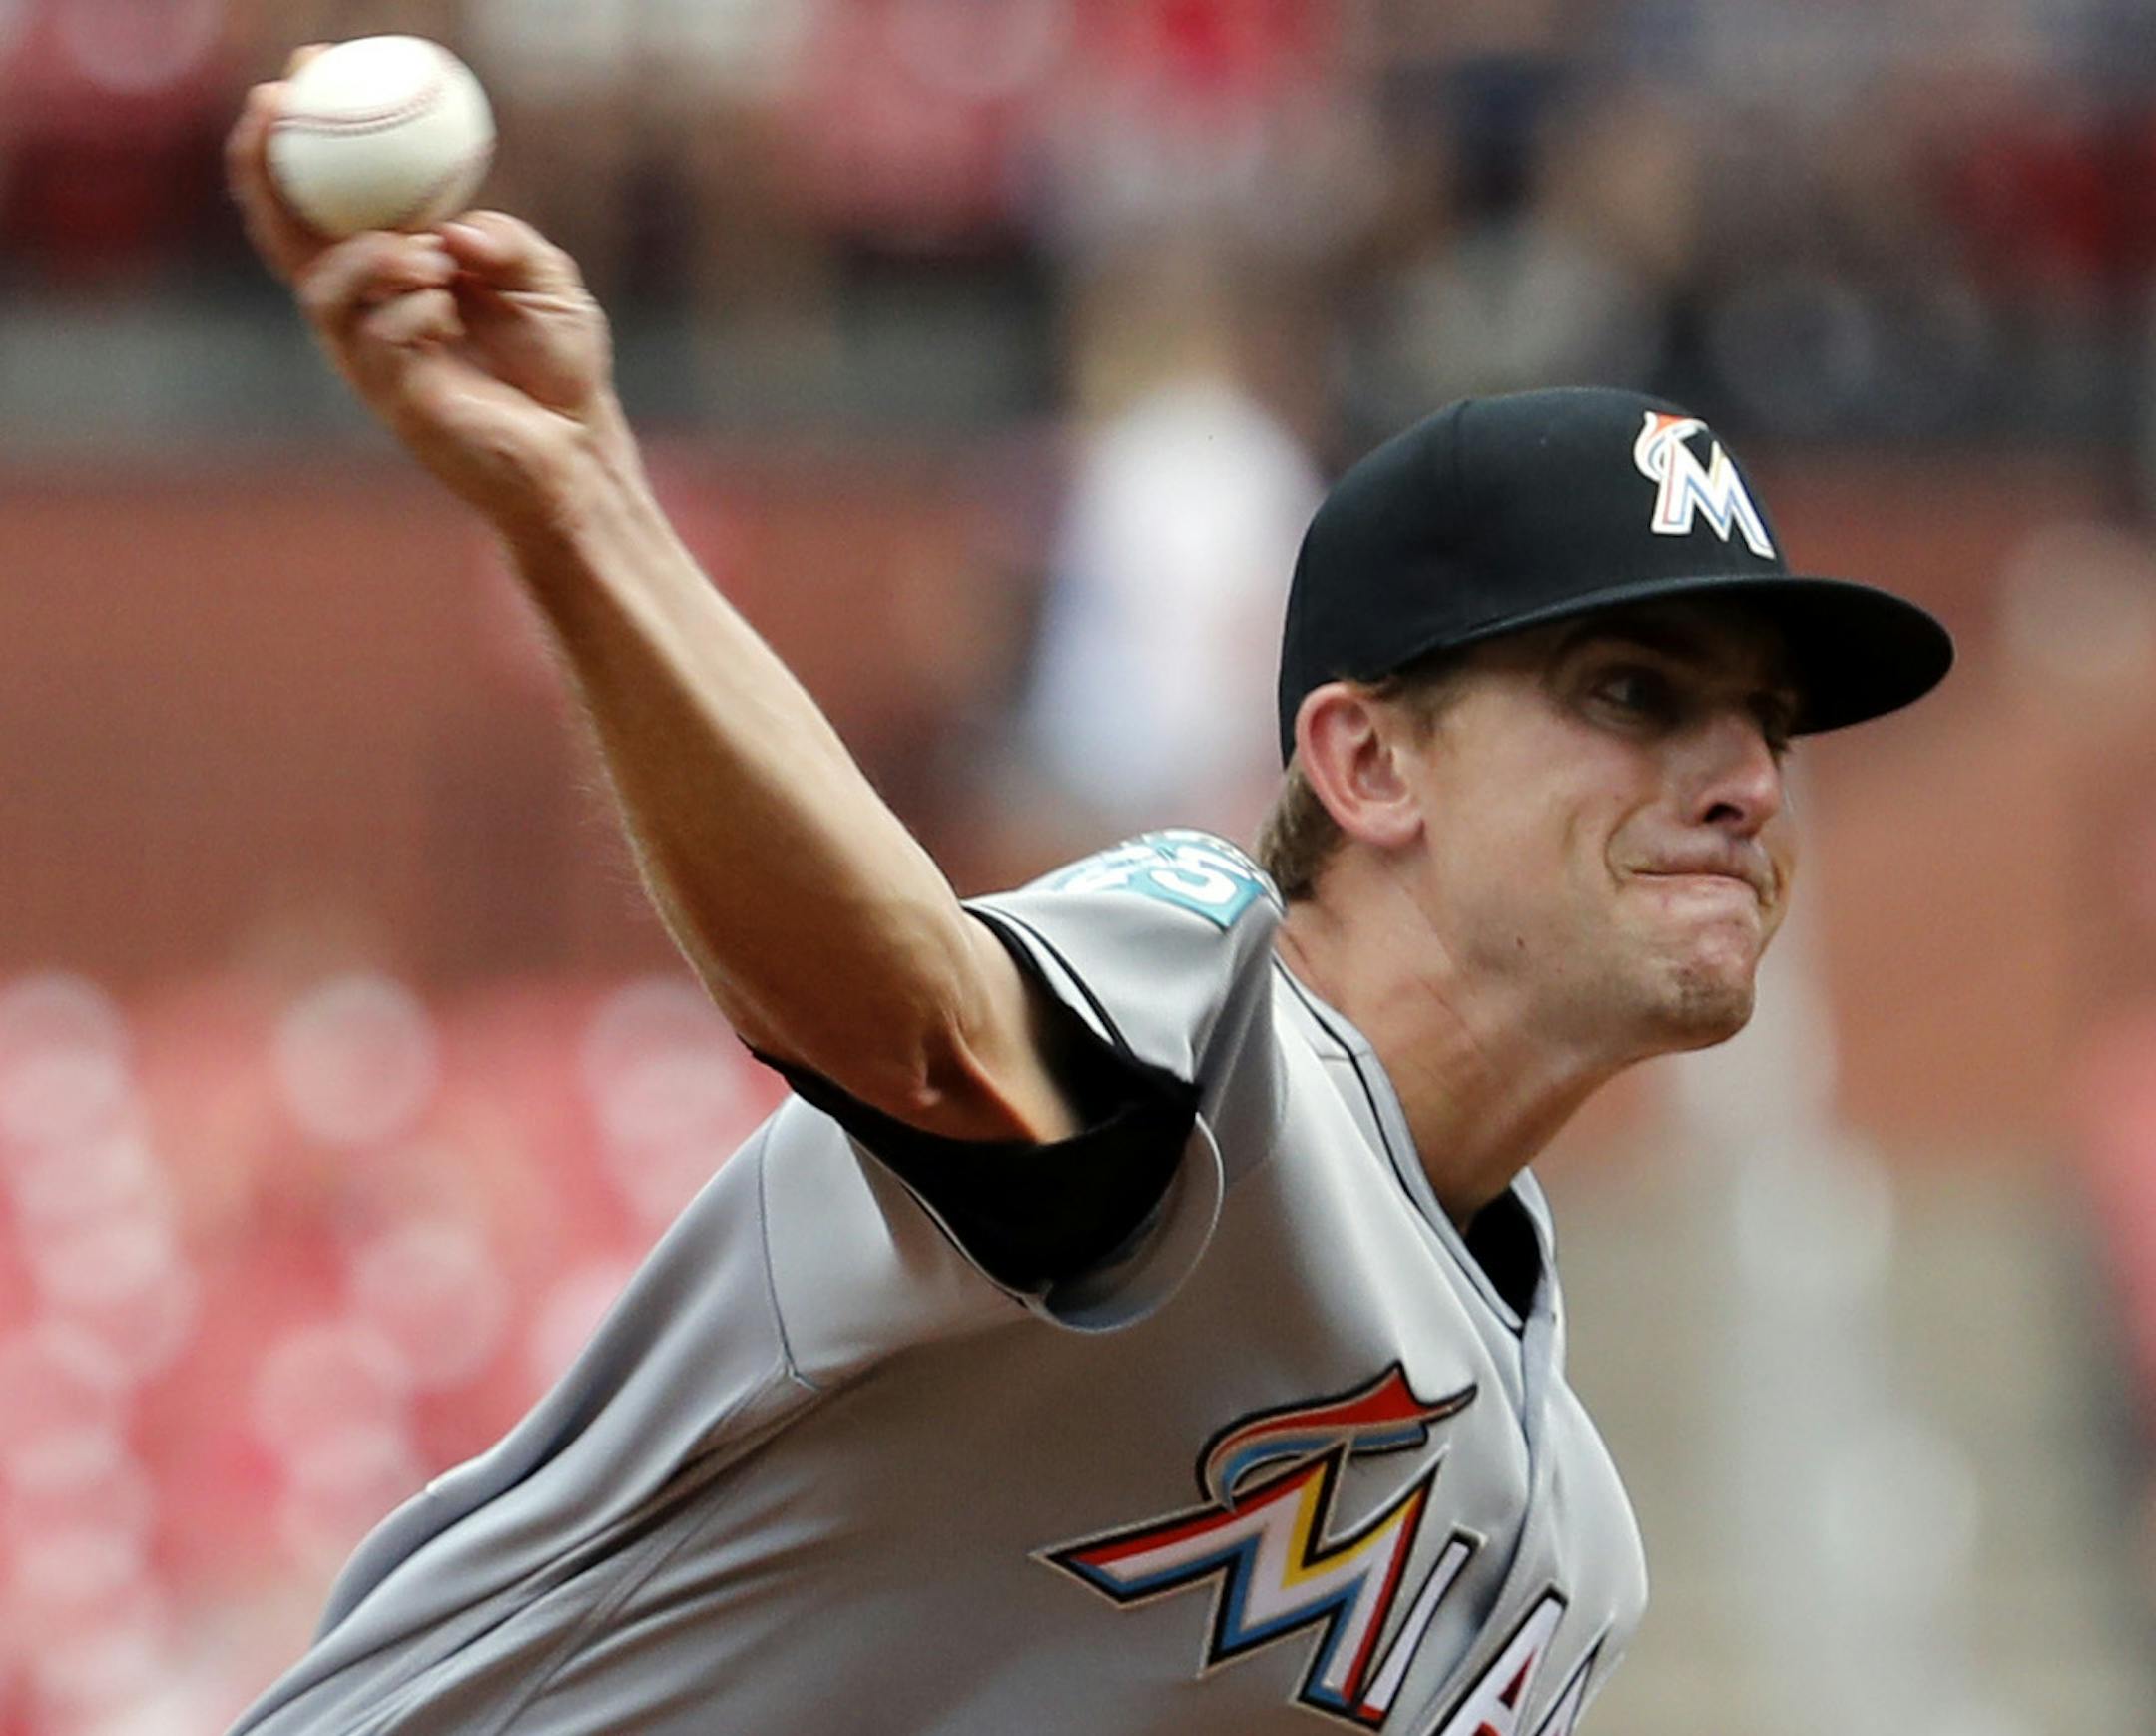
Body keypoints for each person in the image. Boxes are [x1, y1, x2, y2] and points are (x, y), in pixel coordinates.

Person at [222, 52, 1952, 1736]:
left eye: (1770, 724)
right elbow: (913, 1030)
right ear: (1367, 766)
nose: (1745, 781)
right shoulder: (1208, 1030)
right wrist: (586, 506)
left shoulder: (1568, 1547)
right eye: (1635, 694)